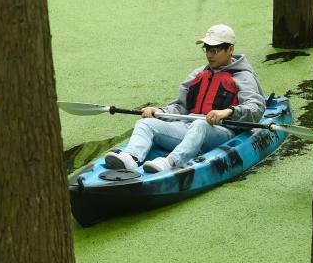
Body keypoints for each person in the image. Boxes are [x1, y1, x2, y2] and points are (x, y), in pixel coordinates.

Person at [104, 24, 266, 173]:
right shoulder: (197, 75)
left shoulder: (243, 76)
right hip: (188, 128)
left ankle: (171, 162)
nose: (209, 55)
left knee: (200, 124)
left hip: (223, 133)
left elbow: (256, 108)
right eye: (207, 49)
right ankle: (131, 158)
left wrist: (228, 112)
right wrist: (160, 111)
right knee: (145, 123)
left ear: (230, 49)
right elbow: (180, 108)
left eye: (215, 50)